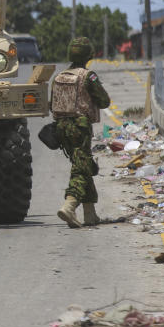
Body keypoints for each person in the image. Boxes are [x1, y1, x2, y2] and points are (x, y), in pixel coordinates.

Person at [50, 37, 111, 228]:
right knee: (81, 168)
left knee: (83, 165)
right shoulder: (88, 76)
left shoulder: (59, 76)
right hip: (80, 126)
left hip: (61, 127)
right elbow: (104, 101)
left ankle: (90, 214)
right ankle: (69, 206)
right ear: (88, 55)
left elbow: (52, 104)